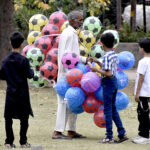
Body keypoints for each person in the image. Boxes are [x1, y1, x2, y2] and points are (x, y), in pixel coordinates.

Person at [52, 10, 87, 139]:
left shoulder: (73, 33)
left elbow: (74, 56)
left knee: (74, 101)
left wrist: (85, 60)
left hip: (74, 74)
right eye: (80, 19)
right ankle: (57, 131)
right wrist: (69, 75)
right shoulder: (68, 33)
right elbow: (66, 57)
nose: (82, 22)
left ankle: (71, 130)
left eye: (82, 19)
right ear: (72, 20)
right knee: (63, 103)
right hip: (67, 75)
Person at [88, 33, 128, 143]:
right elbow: (108, 69)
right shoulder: (114, 54)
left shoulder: (106, 56)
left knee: (107, 110)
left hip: (108, 83)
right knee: (113, 108)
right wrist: (97, 62)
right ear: (114, 43)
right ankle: (121, 133)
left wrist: (95, 69)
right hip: (114, 83)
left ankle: (109, 136)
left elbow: (108, 73)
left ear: (101, 44)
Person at [0, 31, 34, 148]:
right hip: (22, 94)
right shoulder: (24, 60)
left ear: (10, 43)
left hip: (10, 93)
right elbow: (30, 75)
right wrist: (33, 70)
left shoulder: (5, 61)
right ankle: (23, 142)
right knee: (24, 119)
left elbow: (2, 76)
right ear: (22, 44)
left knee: (8, 118)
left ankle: (8, 142)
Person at [132, 38, 150, 144]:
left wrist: (137, 93)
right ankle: (141, 133)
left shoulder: (143, 62)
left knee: (143, 114)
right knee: (141, 113)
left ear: (142, 49)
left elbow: (141, 78)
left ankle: (145, 136)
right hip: (147, 92)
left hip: (143, 93)